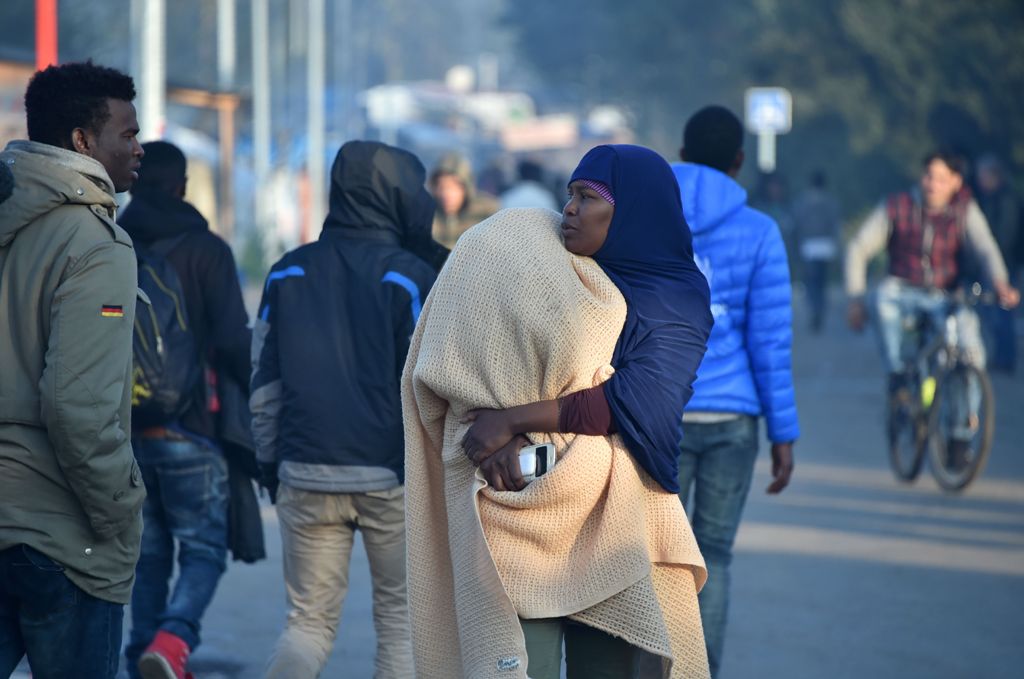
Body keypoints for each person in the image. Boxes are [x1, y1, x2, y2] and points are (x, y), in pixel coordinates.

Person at [404, 144, 714, 678]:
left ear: (632, 209)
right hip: (521, 507)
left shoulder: (674, 295)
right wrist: (489, 420)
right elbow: (484, 354)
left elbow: (639, 402)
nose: (569, 208)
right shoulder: (549, 269)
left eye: (588, 197)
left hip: (613, 521)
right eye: (569, 194)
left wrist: (511, 421)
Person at [251, 141, 441, 679]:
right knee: (403, 625)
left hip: (304, 470)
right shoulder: (409, 277)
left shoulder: (287, 273)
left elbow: (263, 387)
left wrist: (271, 466)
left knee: (307, 624)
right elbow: (430, 387)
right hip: (392, 478)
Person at [0, 62, 145, 679]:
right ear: (83, 142)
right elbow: (77, 406)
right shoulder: (94, 244)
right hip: (64, 539)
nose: (139, 148)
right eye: (127, 133)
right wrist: (119, 512)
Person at [670, 105, 799, 677]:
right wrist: (784, 434)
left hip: (660, 412)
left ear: (680, 152)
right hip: (733, 419)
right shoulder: (761, 232)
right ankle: (702, 670)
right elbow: (771, 343)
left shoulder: (648, 219)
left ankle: (655, 665)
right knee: (713, 558)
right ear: (740, 162)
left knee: (655, 558)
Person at [119, 141, 253, 679]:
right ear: (181, 186)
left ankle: (139, 656)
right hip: (193, 427)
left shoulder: (114, 240)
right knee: (203, 549)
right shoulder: (206, 250)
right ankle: (174, 641)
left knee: (147, 557)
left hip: (125, 428)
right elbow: (230, 340)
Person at [845, 150, 1019, 460]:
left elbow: (986, 249)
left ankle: (960, 435)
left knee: (970, 355)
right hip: (902, 289)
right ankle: (898, 376)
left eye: (941, 179)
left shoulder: (965, 211)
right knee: (881, 298)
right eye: (928, 176)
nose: (932, 185)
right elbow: (859, 247)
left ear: (955, 182)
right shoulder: (897, 205)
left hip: (945, 295)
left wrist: (1001, 283)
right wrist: (855, 297)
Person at [973, 154, 1020, 373]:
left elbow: (1005, 236)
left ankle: (1006, 359)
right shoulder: (988, 198)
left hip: (1005, 264)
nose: (979, 179)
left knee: (1003, 314)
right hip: (995, 264)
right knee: (994, 314)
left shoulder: (1006, 200)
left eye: (982, 175)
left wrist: (993, 262)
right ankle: (1000, 357)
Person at [792, 169, 843, 332]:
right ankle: (820, 309)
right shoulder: (831, 202)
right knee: (822, 283)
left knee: (811, 283)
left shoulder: (802, 202)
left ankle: (814, 309)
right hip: (826, 247)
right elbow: (836, 226)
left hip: (809, 247)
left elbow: (797, 226)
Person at [429, 151, 499, 248]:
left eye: (453, 187)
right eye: (442, 187)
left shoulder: (487, 213)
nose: (446, 194)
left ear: (466, 188)